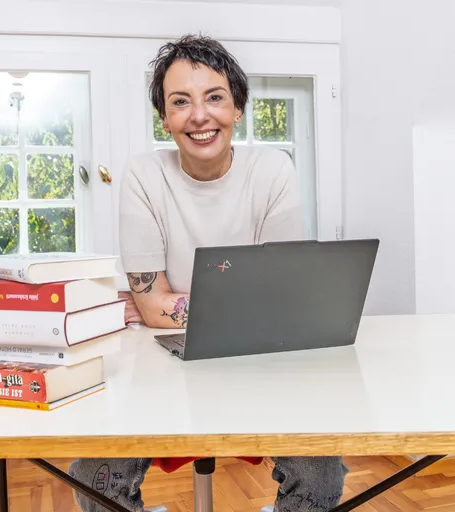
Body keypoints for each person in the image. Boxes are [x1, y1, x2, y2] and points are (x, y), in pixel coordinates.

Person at [67, 35, 348, 512]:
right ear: (165, 118)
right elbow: (152, 308)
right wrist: (209, 305)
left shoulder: (273, 170)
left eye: (214, 97)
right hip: (160, 359)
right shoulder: (142, 174)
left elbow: (277, 299)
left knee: (320, 474)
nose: (199, 116)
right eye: (181, 102)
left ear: (237, 107)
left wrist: (166, 304)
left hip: (256, 360)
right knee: (94, 476)